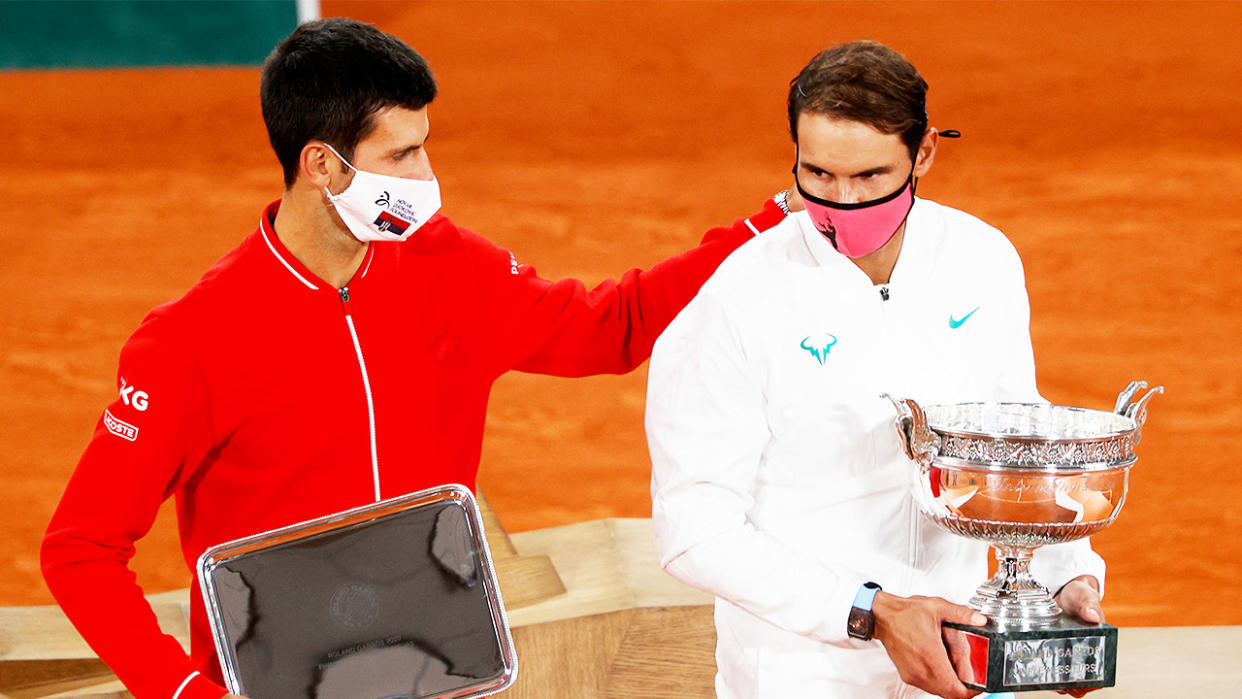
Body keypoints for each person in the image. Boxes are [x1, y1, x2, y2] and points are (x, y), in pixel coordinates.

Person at [40, 18, 786, 699]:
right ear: (322, 166)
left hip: (443, 674)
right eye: (401, 153)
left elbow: (611, 327)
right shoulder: (191, 340)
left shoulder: (449, 266)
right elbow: (81, 549)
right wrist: (184, 693)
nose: (425, 176)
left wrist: (763, 229)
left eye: (424, 143)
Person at [645, 40, 1107, 699]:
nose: (842, 202)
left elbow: (1017, 441)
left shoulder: (982, 259)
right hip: (802, 674)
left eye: (870, 177)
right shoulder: (735, 301)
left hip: (957, 656)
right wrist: (872, 609)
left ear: (923, 154)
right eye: (820, 174)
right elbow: (694, 528)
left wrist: (1065, 577)